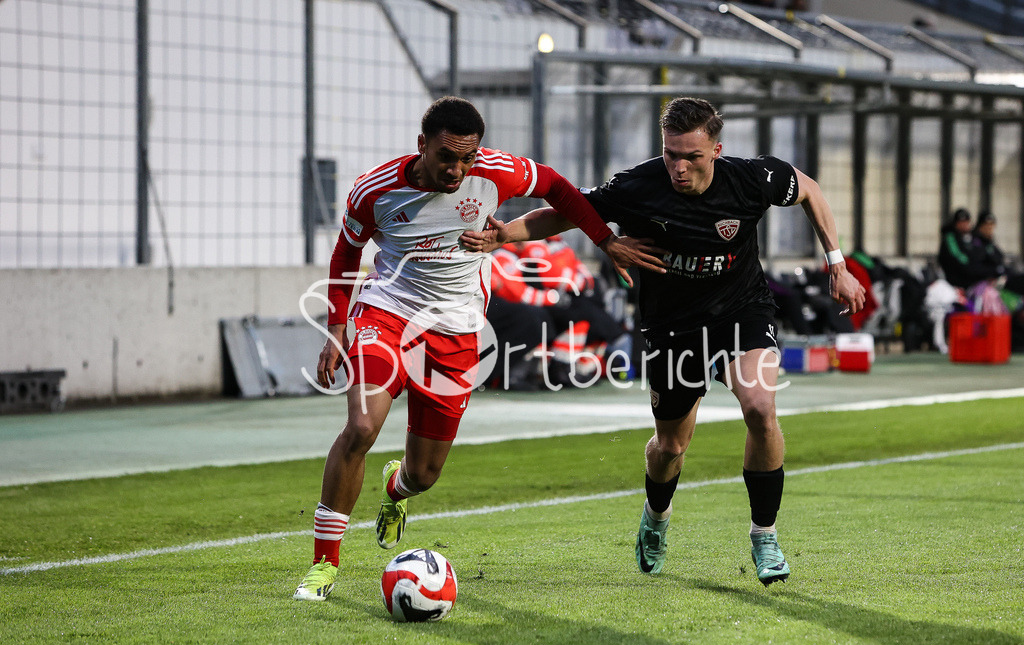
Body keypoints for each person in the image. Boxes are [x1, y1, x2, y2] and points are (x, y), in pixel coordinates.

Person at [462, 97, 865, 586]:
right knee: (671, 445)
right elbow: (569, 210)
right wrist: (508, 234)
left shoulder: (752, 179)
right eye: (671, 153)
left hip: (741, 311)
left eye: (691, 156)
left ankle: (765, 535)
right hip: (672, 326)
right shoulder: (638, 185)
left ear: (717, 149)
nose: (678, 166)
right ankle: (655, 518)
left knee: (760, 407)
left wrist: (837, 263)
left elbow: (811, 191)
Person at [292, 96, 665, 601]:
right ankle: (323, 566)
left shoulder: (496, 172)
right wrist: (338, 327)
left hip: (458, 330)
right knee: (361, 427)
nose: (458, 169)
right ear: (421, 145)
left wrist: (604, 240)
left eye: (467, 158)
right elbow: (346, 254)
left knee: (423, 475)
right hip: (389, 315)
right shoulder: (374, 190)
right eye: (447, 156)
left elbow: (558, 186)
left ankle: (395, 489)